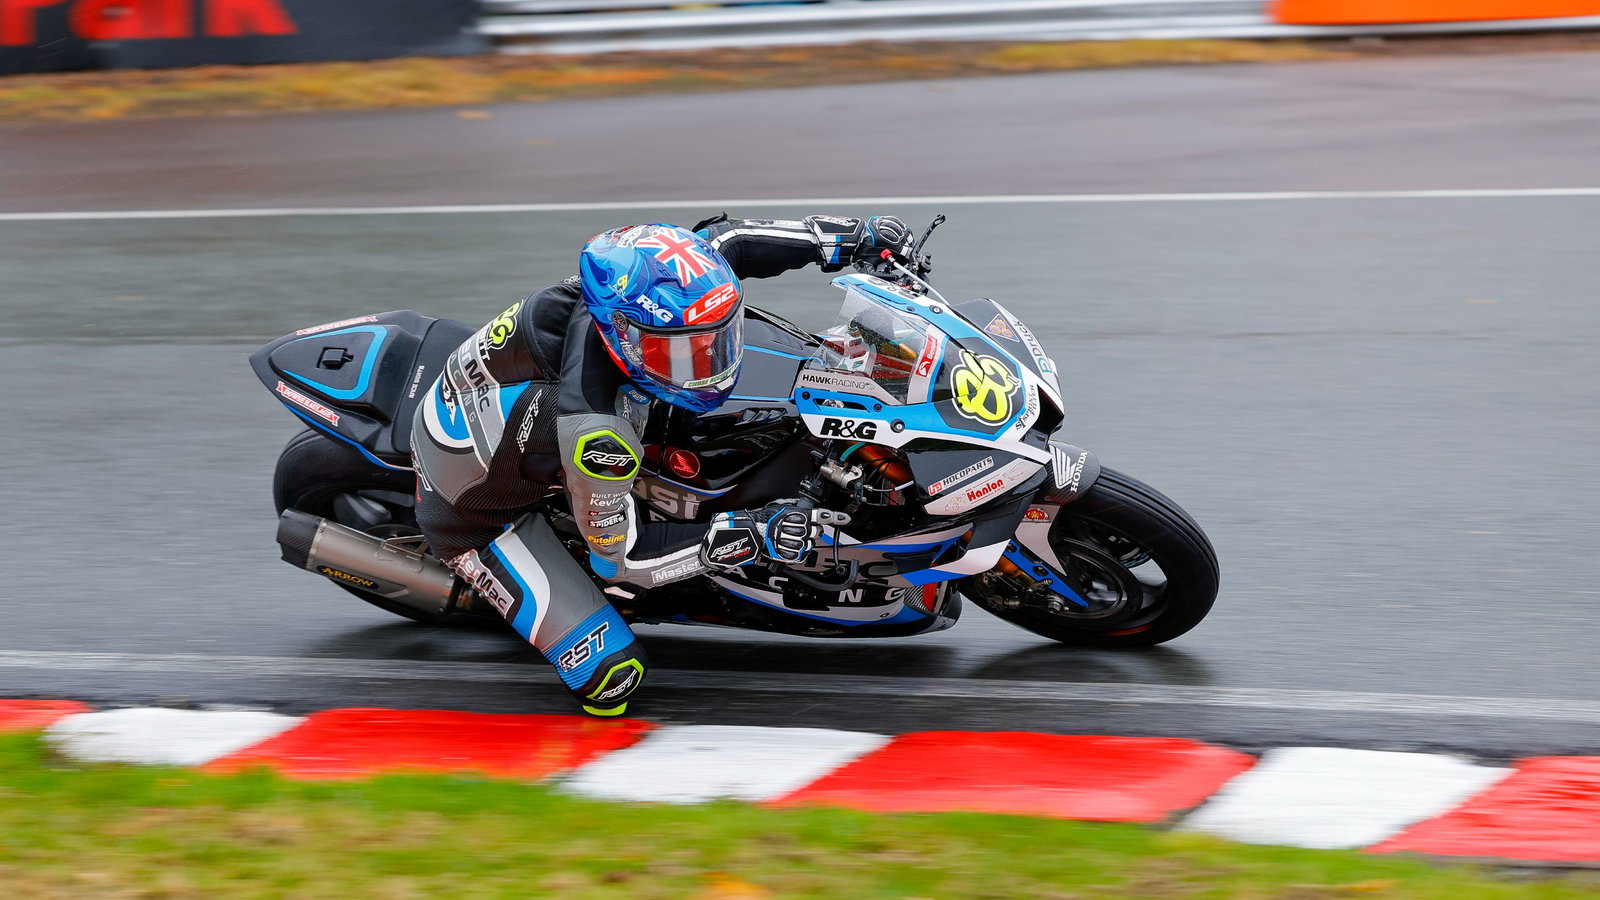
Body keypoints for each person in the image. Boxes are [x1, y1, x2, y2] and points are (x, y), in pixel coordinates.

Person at [410, 213, 916, 716]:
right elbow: (622, 559)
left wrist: (859, 237)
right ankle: (496, 579)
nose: (709, 362)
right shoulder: (597, 434)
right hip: (479, 513)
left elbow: (730, 241)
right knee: (610, 680)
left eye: (713, 341)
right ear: (624, 337)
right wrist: (757, 532)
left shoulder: (651, 290)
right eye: (681, 354)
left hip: (517, 407)